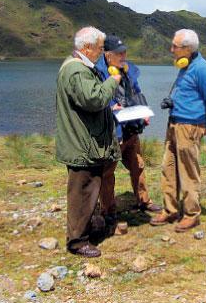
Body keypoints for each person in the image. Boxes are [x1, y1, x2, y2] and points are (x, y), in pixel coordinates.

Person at [55, 26, 121, 258]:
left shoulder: (80, 68)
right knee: (81, 191)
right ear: (87, 48)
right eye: (100, 48)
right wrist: (113, 81)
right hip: (81, 144)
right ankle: (77, 241)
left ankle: (87, 229)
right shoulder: (76, 71)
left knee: (89, 187)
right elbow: (94, 99)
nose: (102, 53)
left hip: (84, 142)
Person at [150, 29, 206, 232]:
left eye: (175, 46)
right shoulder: (185, 65)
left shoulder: (202, 69)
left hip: (189, 127)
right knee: (168, 167)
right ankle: (170, 209)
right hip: (174, 123)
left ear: (187, 49)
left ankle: (191, 214)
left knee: (188, 172)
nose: (171, 49)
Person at [94, 35, 162, 225]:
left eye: (125, 51)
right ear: (107, 55)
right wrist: (111, 108)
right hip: (113, 132)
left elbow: (137, 92)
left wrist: (144, 111)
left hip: (131, 128)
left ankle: (143, 201)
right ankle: (108, 210)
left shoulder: (128, 69)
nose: (124, 55)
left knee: (138, 165)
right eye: (119, 53)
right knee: (107, 172)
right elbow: (95, 98)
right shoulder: (97, 72)